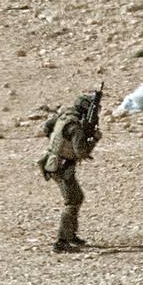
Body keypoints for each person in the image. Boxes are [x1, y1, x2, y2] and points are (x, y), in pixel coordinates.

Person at [39, 92, 101, 252]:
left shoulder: (63, 117)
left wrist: (57, 145)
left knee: (77, 197)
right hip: (62, 166)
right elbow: (81, 152)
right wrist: (93, 139)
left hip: (54, 161)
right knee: (72, 201)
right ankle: (61, 242)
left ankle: (71, 234)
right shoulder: (75, 127)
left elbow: (47, 127)